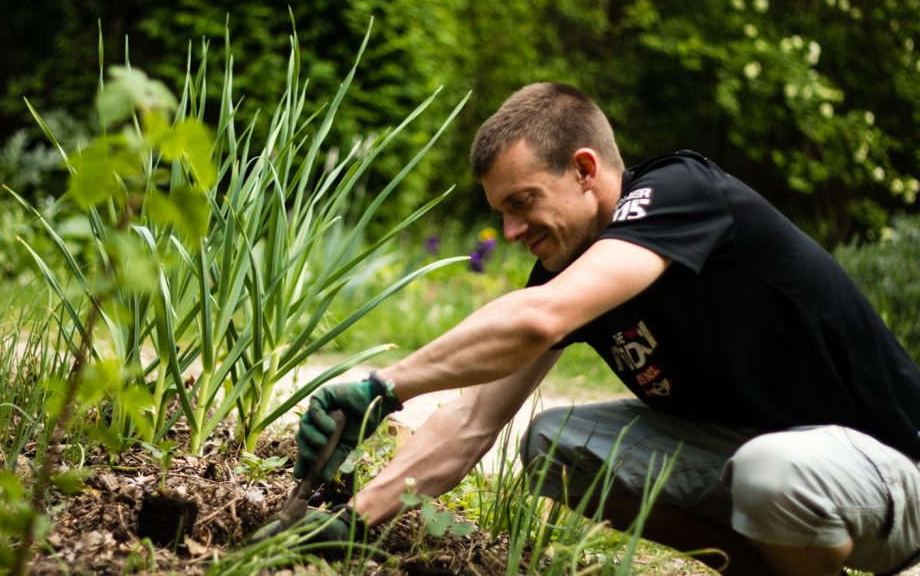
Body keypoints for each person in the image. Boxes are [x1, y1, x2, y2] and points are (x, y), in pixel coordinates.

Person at [293, 82, 920, 575]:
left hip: (889, 470)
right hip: (764, 456)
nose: (511, 232)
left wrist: (384, 384)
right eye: (500, 213)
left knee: (772, 470)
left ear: (586, 170)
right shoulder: (564, 271)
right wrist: (350, 524)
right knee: (555, 445)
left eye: (522, 202)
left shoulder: (681, 191)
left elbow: (540, 319)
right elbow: (469, 424)